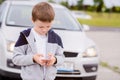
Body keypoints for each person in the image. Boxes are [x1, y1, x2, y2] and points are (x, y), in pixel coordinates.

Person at [12, 2, 64, 80]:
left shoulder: (56, 38)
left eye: (48, 26)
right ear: (32, 20)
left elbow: (62, 58)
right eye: (41, 27)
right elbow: (16, 58)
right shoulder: (25, 36)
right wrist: (33, 59)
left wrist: (55, 60)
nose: (44, 30)